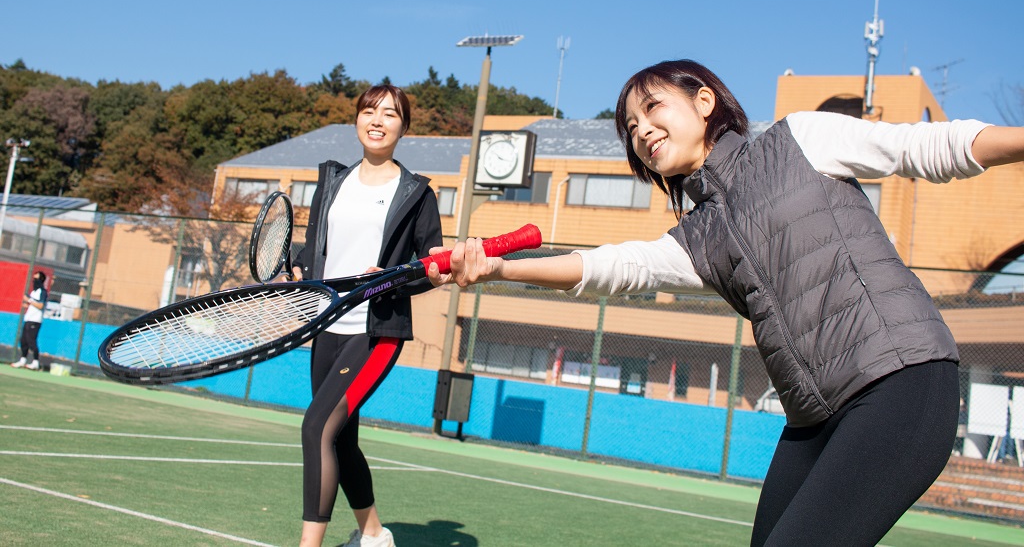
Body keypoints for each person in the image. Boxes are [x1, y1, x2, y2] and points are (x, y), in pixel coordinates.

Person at [428, 59, 1024, 546]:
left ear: (704, 101)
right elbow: (613, 266)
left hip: (901, 380)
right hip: (814, 416)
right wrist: (502, 267)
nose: (641, 131)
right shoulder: (697, 237)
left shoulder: (801, 141)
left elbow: (930, 147)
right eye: (630, 128)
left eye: (652, 108)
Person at [292, 84, 443, 547]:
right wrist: (295, 266)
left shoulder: (416, 194)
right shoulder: (332, 181)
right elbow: (316, 247)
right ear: (357, 119)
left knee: (316, 427)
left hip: (375, 333)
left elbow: (433, 266)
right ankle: (373, 535)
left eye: (390, 114)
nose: (377, 120)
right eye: (369, 111)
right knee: (340, 438)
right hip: (326, 325)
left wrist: (395, 278)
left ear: (403, 128)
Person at [11, 270, 48, 370]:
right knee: (23, 340)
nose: (34, 281)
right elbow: (33, 304)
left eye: (36, 279)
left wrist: (29, 300)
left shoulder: (42, 292)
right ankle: (23, 360)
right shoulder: (34, 292)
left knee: (31, 341)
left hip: (35, 321)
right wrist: (27, 304)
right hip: (28, 319)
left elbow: (40, 305)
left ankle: (35, 362)